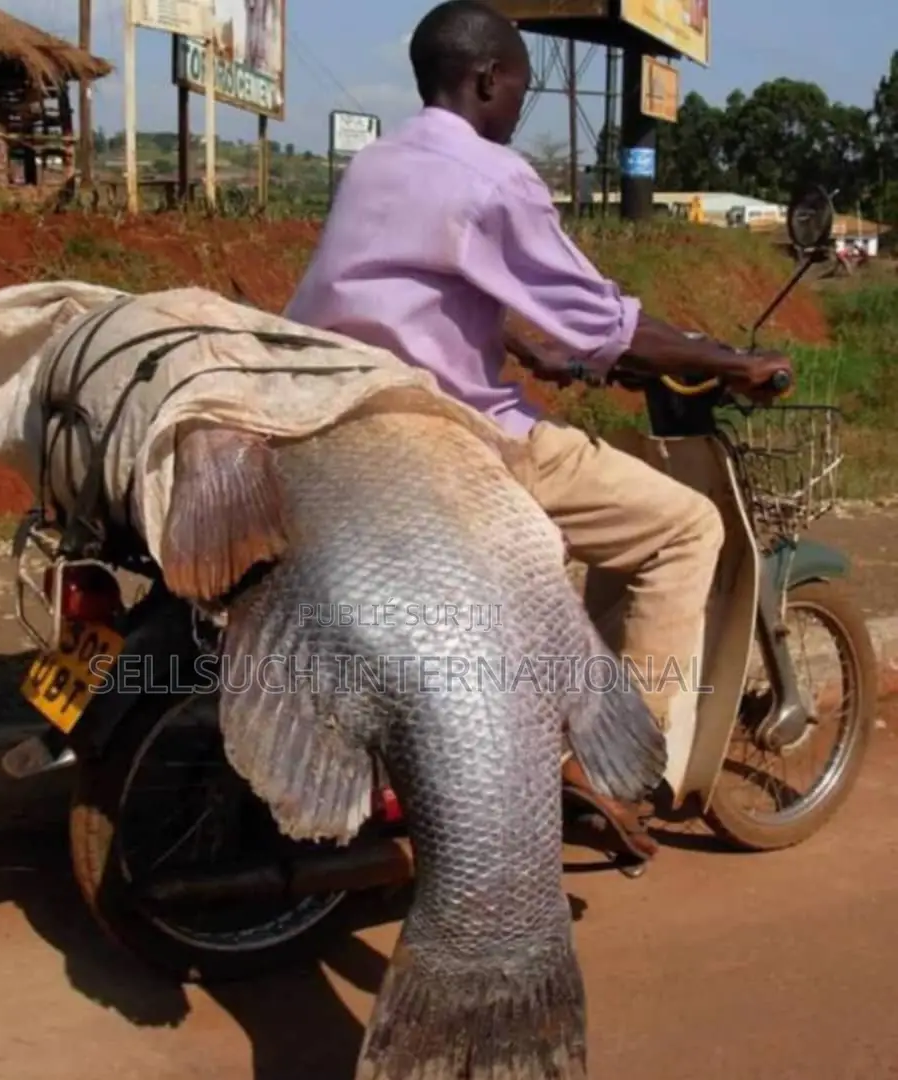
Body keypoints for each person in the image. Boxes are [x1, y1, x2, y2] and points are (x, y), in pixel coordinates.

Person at [284, 0, 793, 863]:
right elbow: (610, 319)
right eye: (516, 87)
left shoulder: (376, 162)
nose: (518, 105)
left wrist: (526, 340)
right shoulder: (494, 175)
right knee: (685, 527)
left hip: (336, 420)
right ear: (486, 79)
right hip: (451, 439)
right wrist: (734, 362)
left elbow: (416, 284)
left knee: (561, 542)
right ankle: (612, 762)